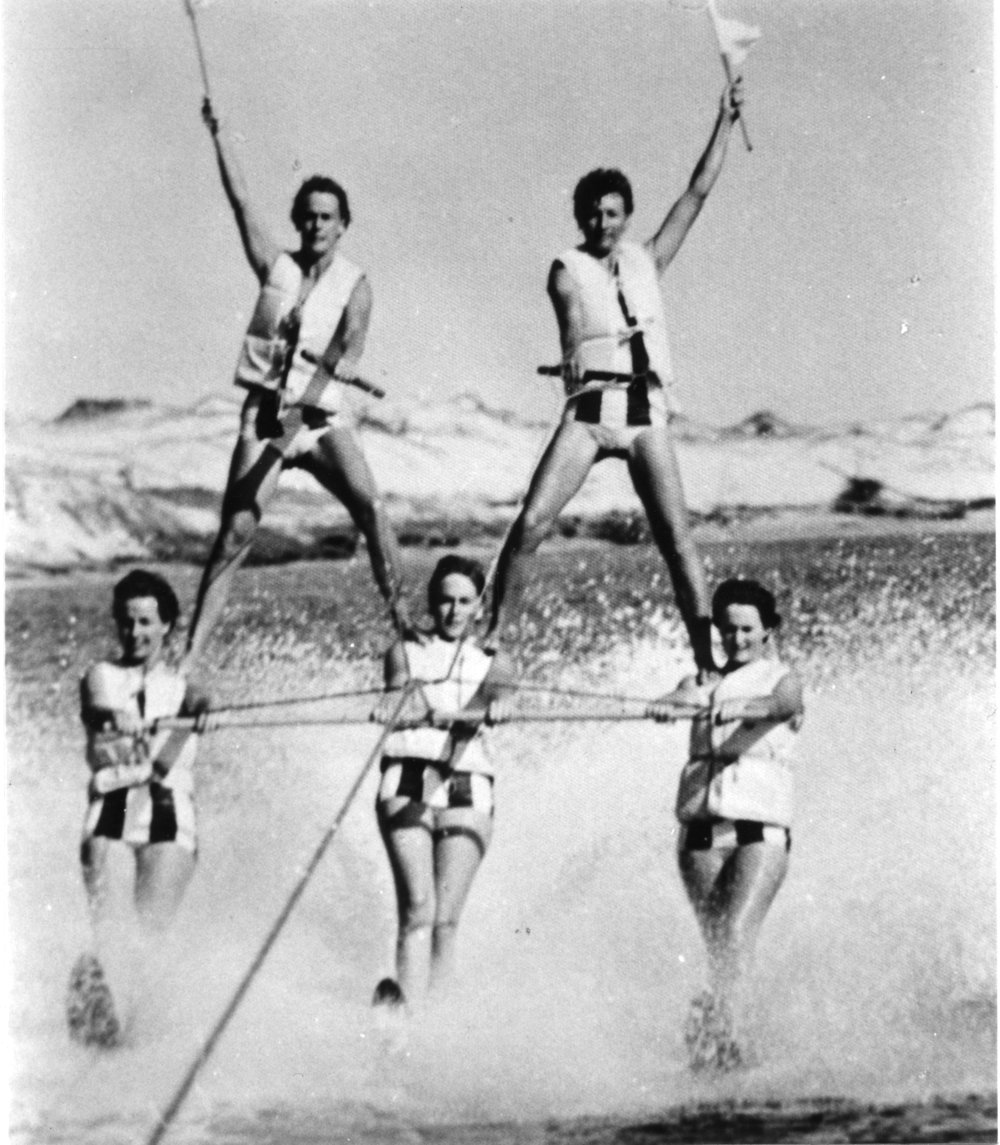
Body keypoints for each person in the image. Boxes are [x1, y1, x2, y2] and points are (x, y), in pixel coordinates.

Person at [488, 80, 745, 675]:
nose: (602, 222)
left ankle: (707, 661)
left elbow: (698, 191)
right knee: (531, 522)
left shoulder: (648, 259)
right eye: (593, 213)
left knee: (678, 541)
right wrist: (572, 351)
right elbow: (570, 318)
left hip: (644, 412)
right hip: (590, 412)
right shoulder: (566, 269)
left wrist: (724, 122)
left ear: (627, 217)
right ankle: (493, 640)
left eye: (613, 213)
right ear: (580, 217)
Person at [184, 98, 413, 667]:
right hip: (265, 417)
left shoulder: (356, 284)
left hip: (320, 419)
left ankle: (406, 628)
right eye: (308, 216)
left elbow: (349, 345)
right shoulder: (274, 267)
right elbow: (239, 201)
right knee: (235, 534)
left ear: (343, 224)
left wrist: (336, 364)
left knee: (372, 507)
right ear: (298, 220)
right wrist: (220, 136)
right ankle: (187, 655)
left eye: (327, 217)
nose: (316, 225)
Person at [648, 578, 804, 1069]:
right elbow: (677, 698)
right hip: (699, 836)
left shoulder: (781, 677)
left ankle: (723, 1033)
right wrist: (664, 706)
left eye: (746, 630)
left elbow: (785, 706)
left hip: (758, 833)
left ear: (767, 631)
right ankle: (724, 1039)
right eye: (727, 630)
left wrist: (742, 707)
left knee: (735, 931)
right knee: (718, 942)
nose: (736, 640)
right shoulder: (702, 681)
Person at [69, 570, 210, 1047]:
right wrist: (116, 718)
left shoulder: (183, 687)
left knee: (152, 930)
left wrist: (196, 711)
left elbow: (167, 758)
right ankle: (101, 999)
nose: (136, 633)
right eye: (127, 623)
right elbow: (97, 710)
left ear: (167, 625)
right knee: (107, 916)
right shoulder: (100, 677)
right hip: (114, 798)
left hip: (167, 804)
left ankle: (141, 1036)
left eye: (147, 622)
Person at [371, 554, 515, 1012]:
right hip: (408, 776)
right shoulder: (405, 650)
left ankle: (440, 1016)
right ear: (432, 603)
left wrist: (500, 705)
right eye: (445, 601)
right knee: (418, 907)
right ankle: (405, 1009)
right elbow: (398, 689)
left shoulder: (496, 660)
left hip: (468, 784)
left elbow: (501, 693)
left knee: (446, 920)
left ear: (480, 605)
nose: (453, 611)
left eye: (464, 602)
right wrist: (395, 704)